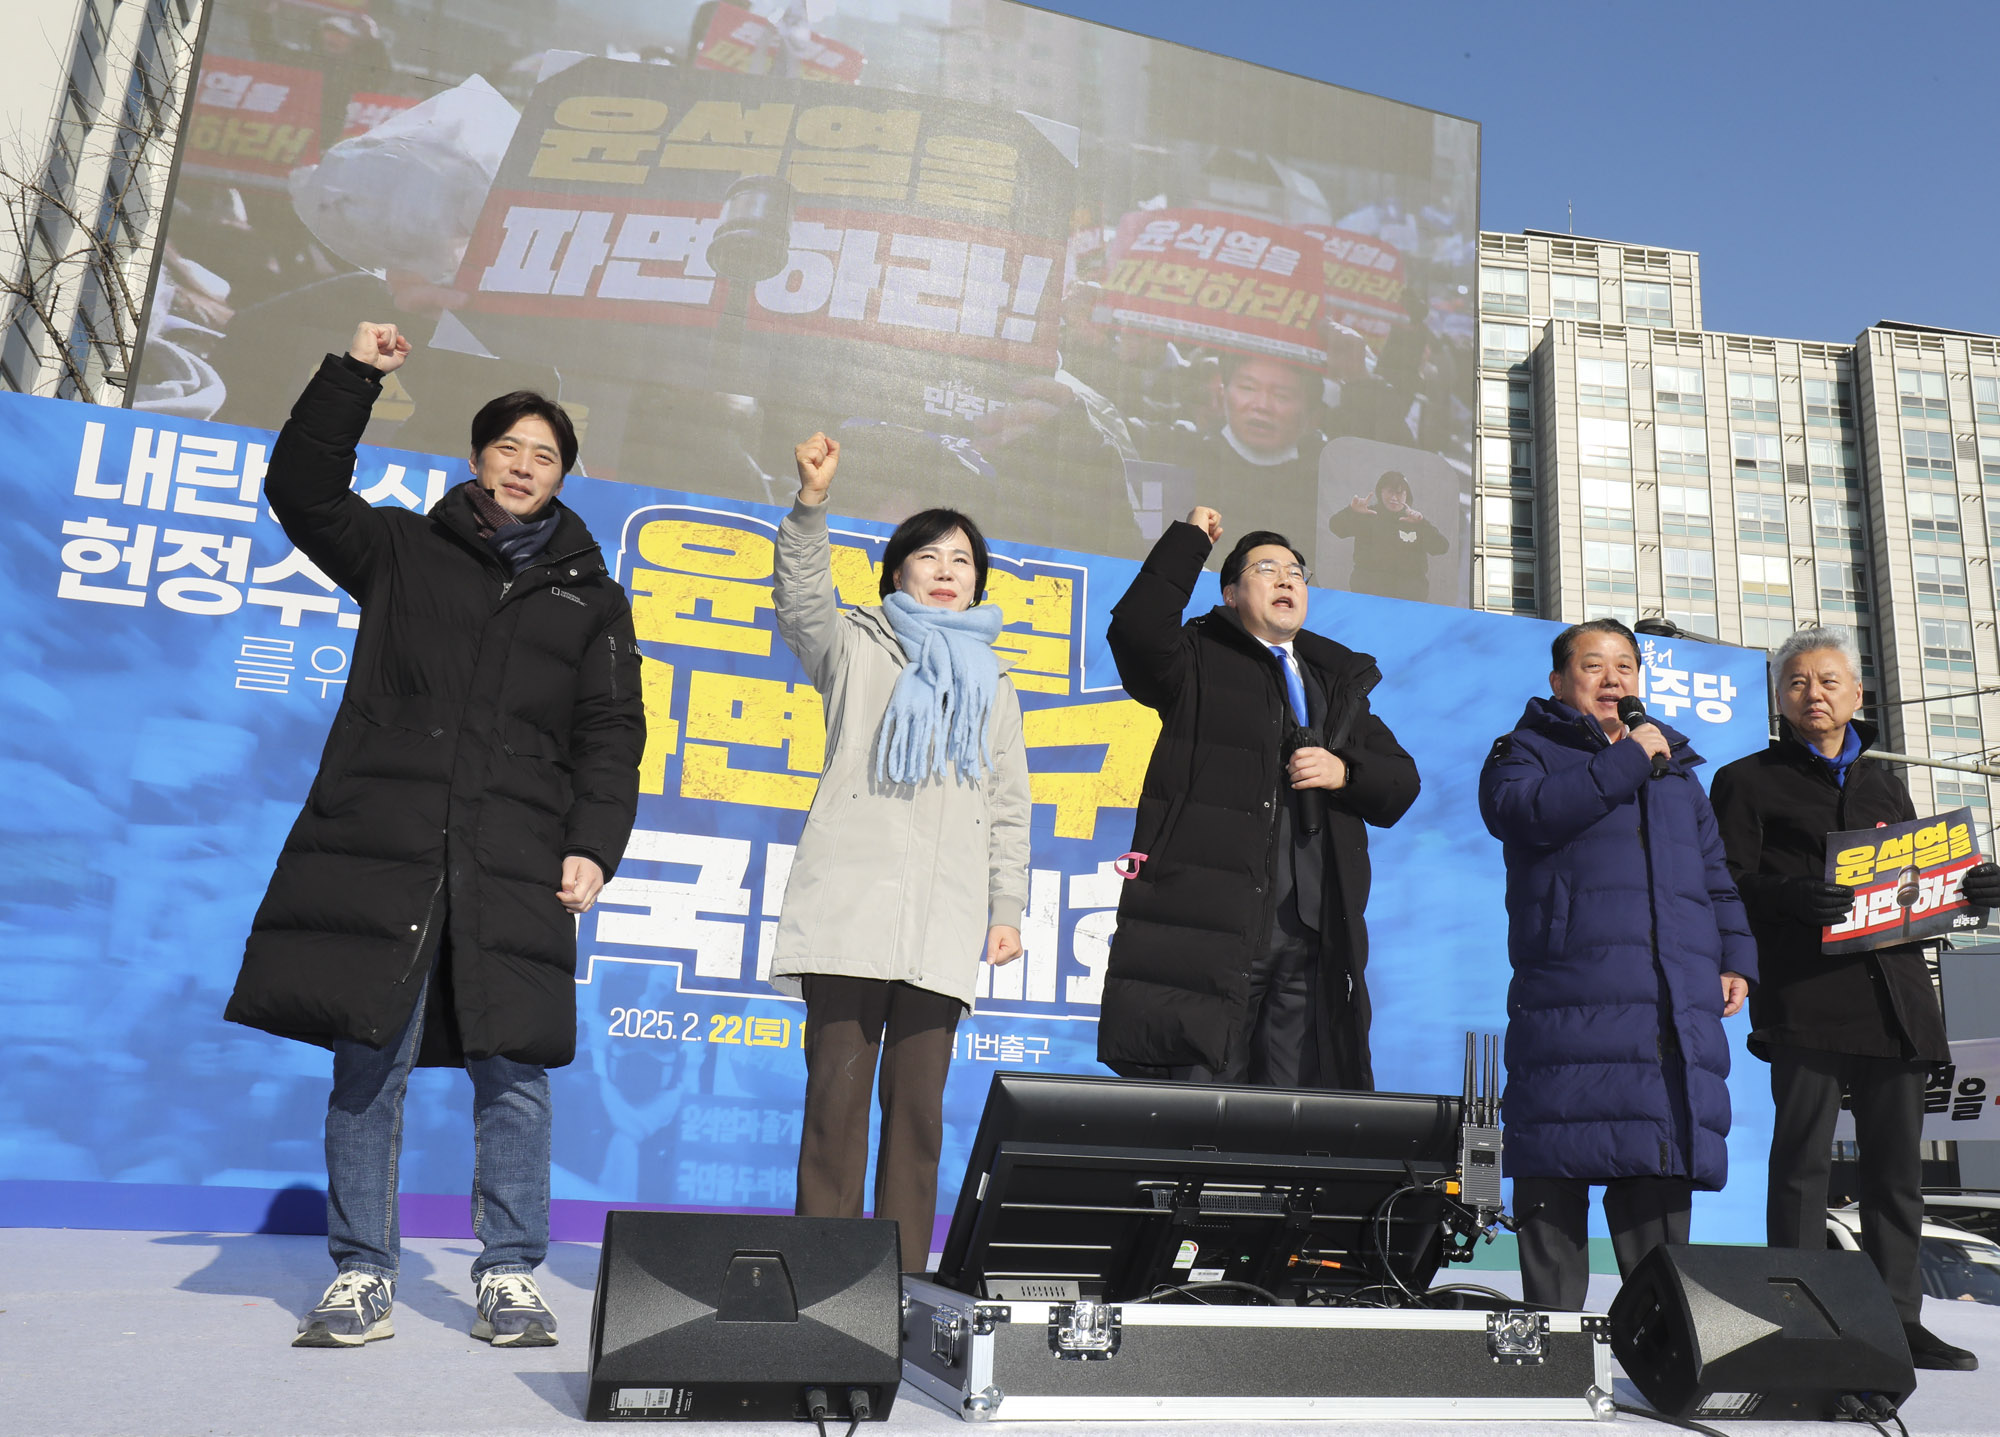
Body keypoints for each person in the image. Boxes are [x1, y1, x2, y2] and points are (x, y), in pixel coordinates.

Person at [224, 322, 644, 1348]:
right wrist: (353, 377)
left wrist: (593, 844)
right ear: (476, 457)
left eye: (544, 455)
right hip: (391, 846)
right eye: (508, 447)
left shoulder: (592, 599)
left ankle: (510, 1273)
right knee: (370, 1063)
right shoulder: (404, 551)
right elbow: (302, 490)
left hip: (515, 858)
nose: (523, 465)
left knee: (516, 1073)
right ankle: (362, 1271)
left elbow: (610, 731)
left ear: (563, 476)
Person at [770, 432, 1032, 1273]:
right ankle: (823, 1278)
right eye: (929, 556)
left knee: (919, 1118)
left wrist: (1005, 907)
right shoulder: (853, 645)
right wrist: (811, 504)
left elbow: (1008, 807)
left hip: (941, 925)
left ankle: (902, 1284)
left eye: (963, 560)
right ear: (896, 573)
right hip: (849, 914)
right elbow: (799, 599)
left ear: (979, 582)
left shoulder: (995, 685)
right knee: (835, 1105)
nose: (947, 570)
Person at [1710, 625, 2000, 1370]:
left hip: (1896, 999)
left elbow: (1916, 886)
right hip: (1807, 995)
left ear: (1857, 693)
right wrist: (1787, 894)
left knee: (1897, 1172)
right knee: (1801, 1164)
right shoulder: (1746, 780)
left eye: (1828, 680)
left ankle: (1898, 1320)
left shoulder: (1884, 782)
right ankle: (1798, 1319)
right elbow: (1724, 880)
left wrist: (1973, 889)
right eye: (1798, 682)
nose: (1814, 693)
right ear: (1779, 698)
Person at [1478, 618, 1755, 1312]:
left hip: (1666, 1006)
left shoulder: (1676, 770)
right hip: (1568, 996)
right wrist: (1629, 758)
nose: (1612, 679)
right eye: (1593, 665)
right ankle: (1550, 1341)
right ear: (1558, 681)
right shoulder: (1525, 750)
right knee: (1555, 1158)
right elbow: (1524, 812)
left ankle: (1661, 1341)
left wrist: (1735, 958)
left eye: (1625, 666)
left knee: (1656, 1165)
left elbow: (1715, 878)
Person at [1098, 507, 1419, 1087]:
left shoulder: (1334, 682)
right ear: (1230, 594)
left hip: (1311, 933)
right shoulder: (1197, 657)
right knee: (1203, 1101)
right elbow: (1136, 631)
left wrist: (1344, 772)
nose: (1286, 580)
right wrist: (1188, 542)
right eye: (1266, 569)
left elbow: (1401, 781)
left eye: (1296, 572)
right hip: (1214, 929)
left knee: (1292, 1111)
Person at [1140, 354, 1328, 555]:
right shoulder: (1181, 456)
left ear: (1312, 413)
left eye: (1281, 396)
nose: (1262, 405)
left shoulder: (1323, 481)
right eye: (1248, 388)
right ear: (1224, 394)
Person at [1326, 469, 1449, 603]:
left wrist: (1422, 524)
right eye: (1390, 492)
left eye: (1399, 493)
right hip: (1369, 598)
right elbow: (1336, 528)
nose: (1394, 498)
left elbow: (1441, 547)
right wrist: (1351, 511)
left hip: (1409, 602)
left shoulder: (1415, 521)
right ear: (1381, 492)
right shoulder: (1368, 514)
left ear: (1406, 494)